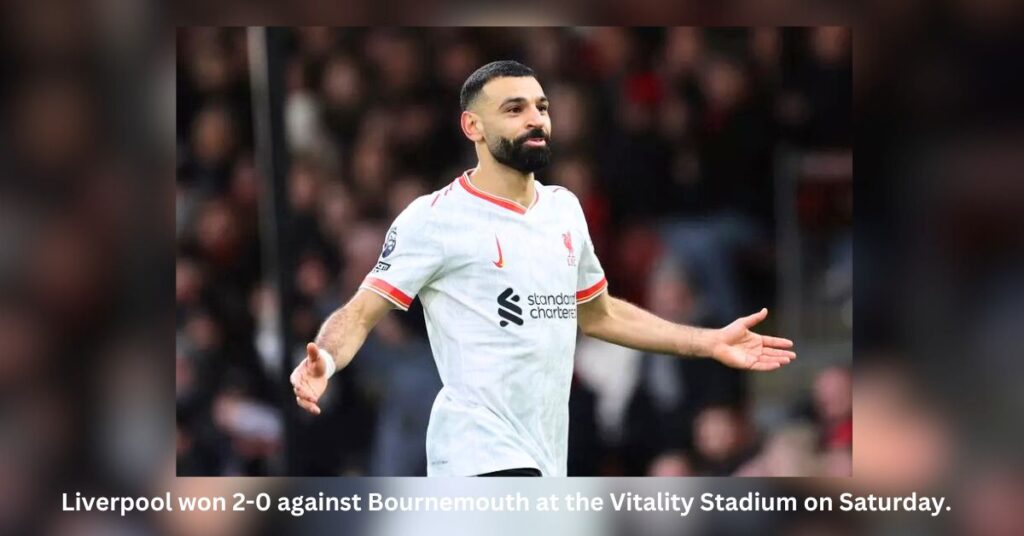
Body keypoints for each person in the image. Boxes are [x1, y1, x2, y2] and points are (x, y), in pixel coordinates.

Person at [290, 60, 796, 476]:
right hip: (478, 456)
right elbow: (359, 313)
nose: (537, 119)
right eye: (515, 109)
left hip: (546, 456)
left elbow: (598, 315)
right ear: (474, 126)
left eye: (542, 107)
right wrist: (325, 362)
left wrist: (706, 341)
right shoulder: (433, 218)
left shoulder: (564, 209)